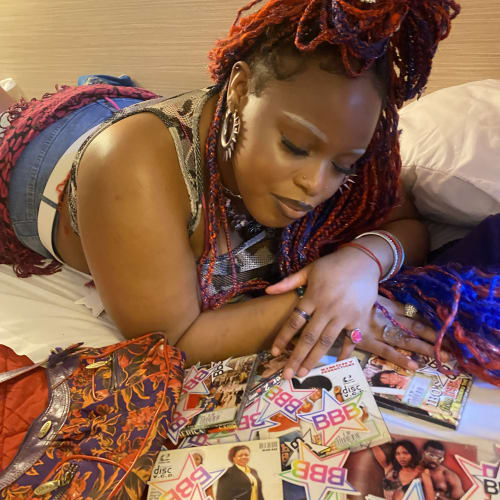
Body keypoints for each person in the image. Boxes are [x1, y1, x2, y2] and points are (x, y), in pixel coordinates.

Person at [2, 0, 496, 386]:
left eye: (344, 165)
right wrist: (327, 306)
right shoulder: (129, 168)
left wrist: (360, 265)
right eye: (295, 146)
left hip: (135, 112)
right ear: (238, 90)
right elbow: (174, 339)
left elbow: (406, 224)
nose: (316, 183)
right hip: (48, 153)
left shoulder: (345, 136)